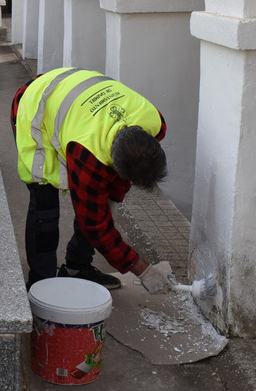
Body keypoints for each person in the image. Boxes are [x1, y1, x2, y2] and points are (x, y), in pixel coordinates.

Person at [12, 67, 173, 293]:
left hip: (73, 98)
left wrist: (113, 201)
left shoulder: (154, 121)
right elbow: (95, 226)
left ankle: (77, 269)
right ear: (112, 164)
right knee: (45, 203)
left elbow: (113, 186)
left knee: (102, 205)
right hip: (35, 106)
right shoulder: (87, 154)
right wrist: (142, 269)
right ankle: (41, 285)